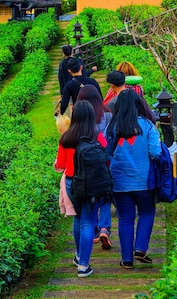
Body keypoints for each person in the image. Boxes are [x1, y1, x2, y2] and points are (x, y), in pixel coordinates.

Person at [106, 89, 161, 269]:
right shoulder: (147, 125)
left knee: (125, 218)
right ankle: (140, 247)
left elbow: (107, 153)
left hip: (119, 181)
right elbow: (155, 152)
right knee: (146, 212)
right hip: (144, 180)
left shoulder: (113, 127)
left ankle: (127, 259)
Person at [54, 100, 108, 278]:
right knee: (88, 222)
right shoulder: (97, 136)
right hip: (92, 183)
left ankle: (79, 256)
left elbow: (60, 164)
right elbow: (105, 158)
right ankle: (83, 265)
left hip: (72, 183)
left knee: (78, 219)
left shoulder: (66, 138)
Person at [77, 85, 113, 249]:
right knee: (105, 194)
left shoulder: (79, 118)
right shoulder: (107, 114)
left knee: (91, 194)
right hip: (104, 158)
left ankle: (95, 228)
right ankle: (105, 228)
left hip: (86, 161)